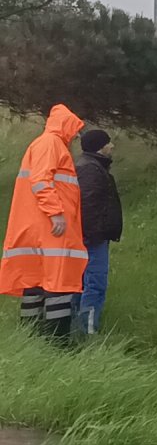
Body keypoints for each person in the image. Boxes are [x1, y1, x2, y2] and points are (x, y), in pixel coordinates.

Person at [0, 104, 87, 342]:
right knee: (59, 284)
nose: (77, 135)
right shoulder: (51, 144)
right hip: (51, 229)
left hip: (39, 228)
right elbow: (41, 180)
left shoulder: (45, 144)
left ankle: (31, 338)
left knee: (36, 283)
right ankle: (57, 342)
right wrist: (55, 212)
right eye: (75, 129)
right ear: (65, 125)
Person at [74, 129, 122, 335]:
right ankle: (88, 331)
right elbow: (88, 207)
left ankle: (77, 328)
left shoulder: (89, 166)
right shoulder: (91, 170)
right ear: (100, 147)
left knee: (84, 283)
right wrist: (92, 237)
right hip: (93, 239)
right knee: (94, 284)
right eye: (108, 143)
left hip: (90, 236)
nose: (112, 146)